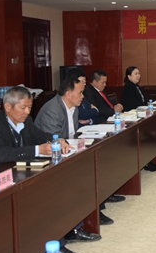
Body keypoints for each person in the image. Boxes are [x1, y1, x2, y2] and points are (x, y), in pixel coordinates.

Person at [0, 86, 89, 253]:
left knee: (63, 183)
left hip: (21, 174)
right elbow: (0, 154)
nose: (28, 112)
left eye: (29, 107)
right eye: (23, 108)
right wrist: (37, 150)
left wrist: (56, 139)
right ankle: (56, 246)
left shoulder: (25, 121)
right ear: (7, 107)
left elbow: (40, 136)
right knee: (42, 198)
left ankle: (71, 229)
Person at [34, 78, 119, 225]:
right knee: (84, 169)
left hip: (69, 149)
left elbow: (72, 134)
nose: (82, 96)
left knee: (98, 160)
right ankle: (88, 215)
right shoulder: (52, 110)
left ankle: (98, 203)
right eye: (80, 93)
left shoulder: (74, 107)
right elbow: (53, 140)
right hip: (48, 157)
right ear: (68, 94)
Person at [121, 66, 156, 171]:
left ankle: (150, 158)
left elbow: (144, 102)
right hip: (133, 119)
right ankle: (146, 162)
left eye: (139, 73)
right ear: (129, 76)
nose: (138, 76)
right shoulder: (128, 88)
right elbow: (133, 105)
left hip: (141, 116)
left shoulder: (137, 87)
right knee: (145, 135)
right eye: (135, 74)